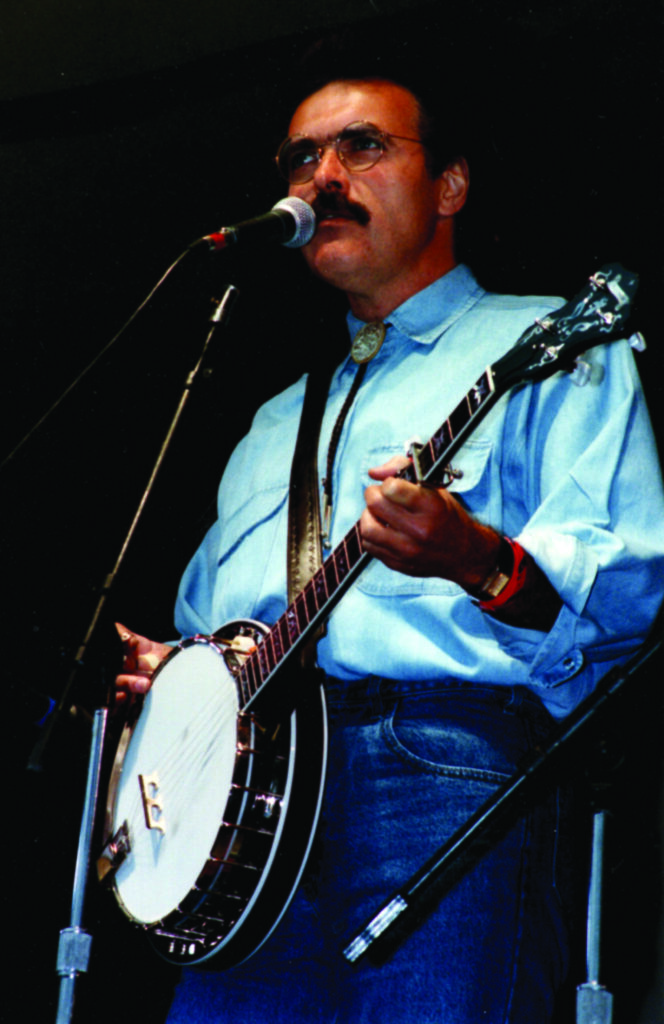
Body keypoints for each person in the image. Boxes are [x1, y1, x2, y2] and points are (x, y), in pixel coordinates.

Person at [115, 74, 664, 1022]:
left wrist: (477, 560)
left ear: (449, 186)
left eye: (362, 147)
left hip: (436, 769)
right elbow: (220, 629)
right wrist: (182, 683)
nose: (322, 176)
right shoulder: (269, 421)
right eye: (301, 157)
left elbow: (622, 605)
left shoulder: (551, 346)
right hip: (246, 817)